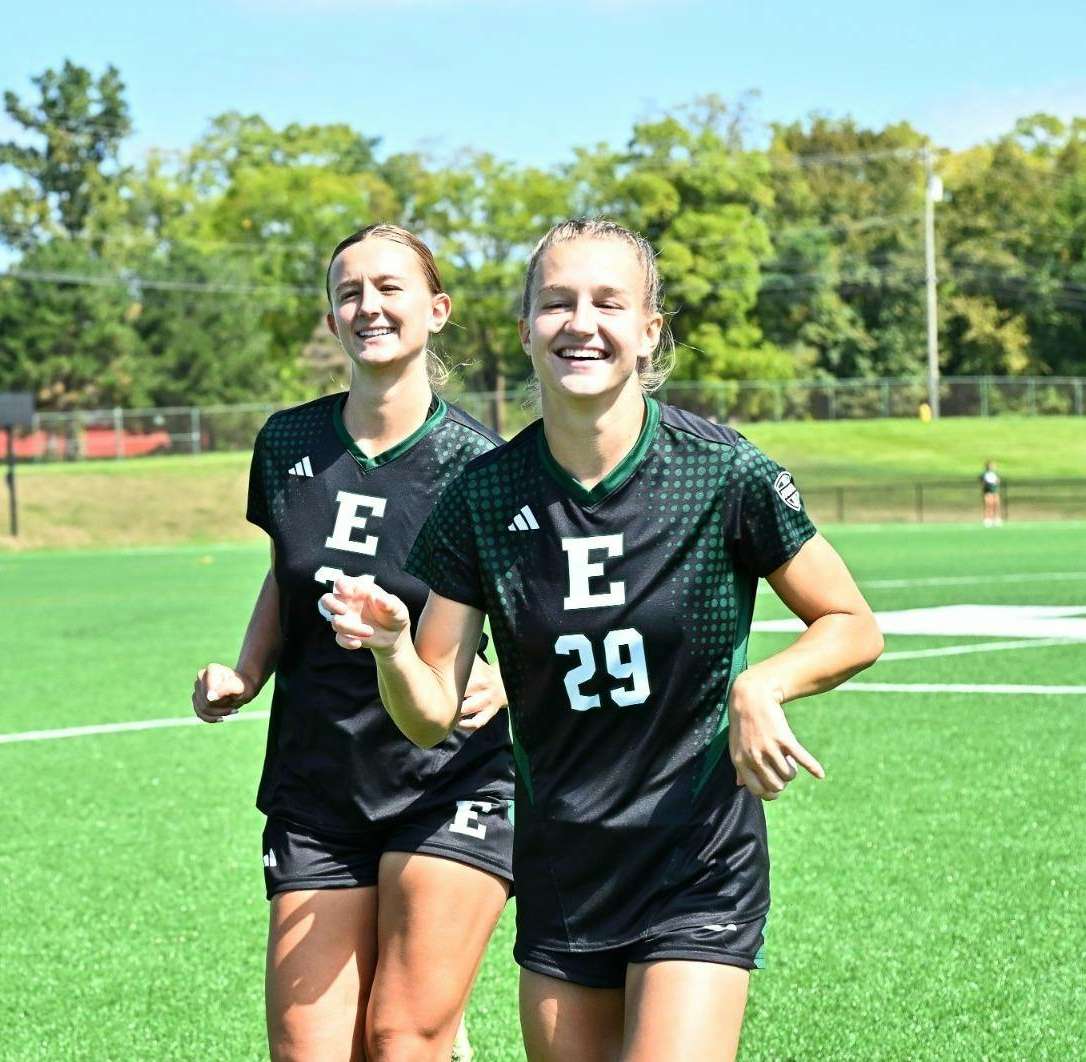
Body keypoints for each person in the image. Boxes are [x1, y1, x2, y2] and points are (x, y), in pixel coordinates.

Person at [322, 218, 884, 1060]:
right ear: (526, 331)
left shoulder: (720, 471)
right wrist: (396, 649)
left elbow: (851, 624)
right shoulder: (482, 497)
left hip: (696, 855)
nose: (581, 323)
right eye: (557, 303)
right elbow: (433, 714)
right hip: (565, 867)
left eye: (607, 303)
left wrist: (761, 686)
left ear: (649, 330)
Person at [191, 223, 513, 1061]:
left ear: (436, 310)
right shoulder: (287, 442)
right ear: (332, 318)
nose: (368, 305)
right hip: (318, 782)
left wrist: (509, 685)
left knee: (399, 1040)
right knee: (310, 1050)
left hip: (448, 779)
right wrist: (246, 671)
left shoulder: (482, 466)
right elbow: (284, 572)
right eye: (349, 292)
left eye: (390, 288)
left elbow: (540, 609)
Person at [980, 460, 1002, 526]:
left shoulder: (995, 473)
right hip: (988, 491)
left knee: (996, 504)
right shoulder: (984, 473)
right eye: (990, 465)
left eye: (993, 465)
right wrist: (987, 483)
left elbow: (998, 481)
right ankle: (987, 518)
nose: (992, 467)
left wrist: (996, 483)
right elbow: (981, 481)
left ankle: (996, 518)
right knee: (988, 504)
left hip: (995, 490)